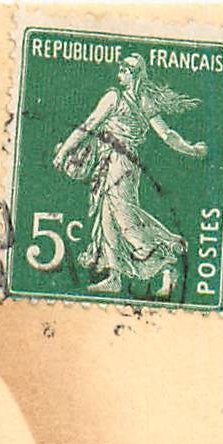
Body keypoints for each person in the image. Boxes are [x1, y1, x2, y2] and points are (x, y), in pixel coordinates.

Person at [53, 54, 208, 298]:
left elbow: (89, 124)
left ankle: (167, 266)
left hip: (121, 163)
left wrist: (63, 152)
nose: (119, 74)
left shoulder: (117, 98)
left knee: (126, 220)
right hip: (113, 163)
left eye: (124, 70)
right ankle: (114, 277)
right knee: (107, 220)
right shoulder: (137, 99)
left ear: (133, 73)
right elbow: (166, 134)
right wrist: (190, 148)